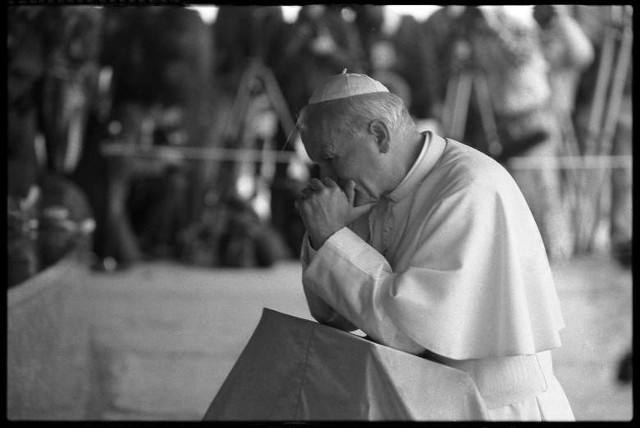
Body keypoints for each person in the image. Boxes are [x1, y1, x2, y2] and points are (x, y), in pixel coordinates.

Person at [294, 71, 574, 421]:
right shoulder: (378, 188)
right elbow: (334, 314)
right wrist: (326, 236)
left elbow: (408, 333)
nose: (326, 178)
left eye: (332, 158)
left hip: (493, 408)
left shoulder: (468, 188)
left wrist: (333, 238)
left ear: (379, 135)